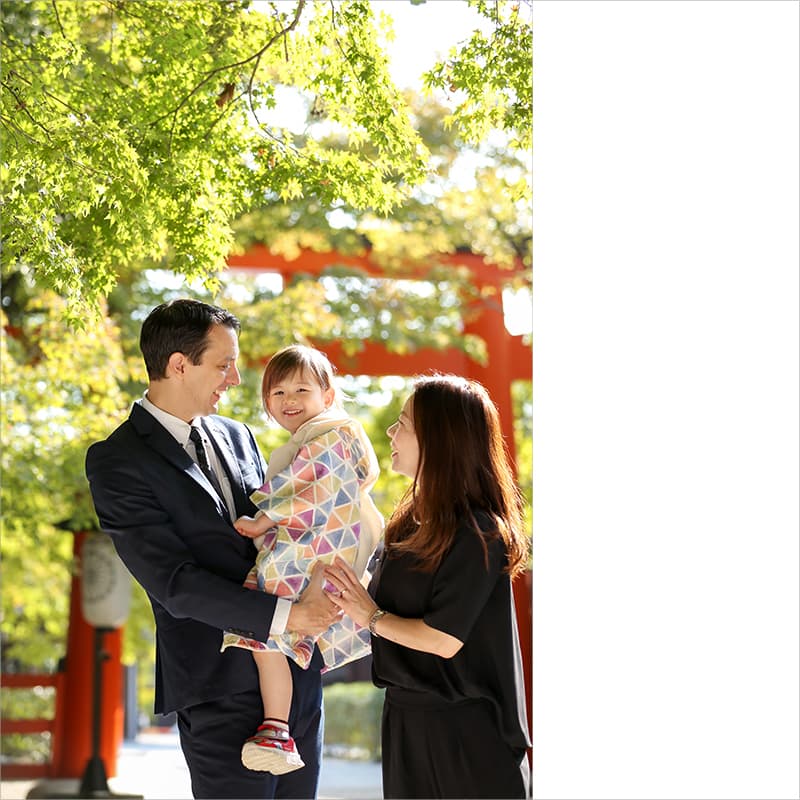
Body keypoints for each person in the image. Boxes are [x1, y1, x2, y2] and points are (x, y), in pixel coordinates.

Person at [85, 299, 340, 800]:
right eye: (224, 364)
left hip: (296, 678)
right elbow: (175, 584)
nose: (237, 379)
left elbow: (285, 529)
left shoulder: (238, 434)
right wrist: (291, 615)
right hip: (217, 684)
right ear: (179, 365)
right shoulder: (117, 461)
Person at [324, 374, 532, 799]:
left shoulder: (479, 531)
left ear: (440, 439)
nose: (390, 432)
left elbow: (443, 638)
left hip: (466, 737)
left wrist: (371, 615)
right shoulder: (406, 523)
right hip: (404, 721)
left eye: (403, 423)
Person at [220, 344, 383, 774]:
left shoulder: (329, 438)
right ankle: (277, 727)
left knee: (261, 622)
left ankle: (276, 726)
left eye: (302, 390)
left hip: (318, 548)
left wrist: (262, 520)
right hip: (324, 548)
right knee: (272, 636)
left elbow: (308, 489)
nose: (289, 401)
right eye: (278, 393)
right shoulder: (325, 437)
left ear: (327, 397)